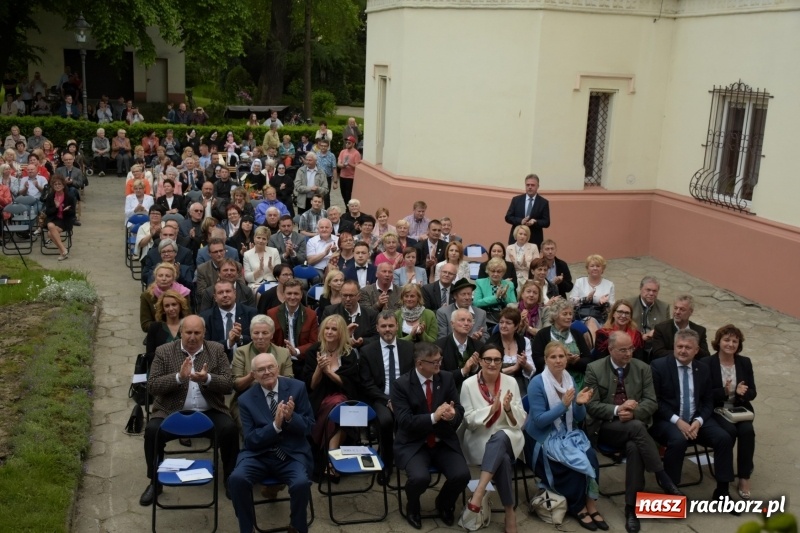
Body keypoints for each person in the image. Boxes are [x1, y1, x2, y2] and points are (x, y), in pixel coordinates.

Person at [584, 331, 683, 533]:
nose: (628, 353)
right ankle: (662, 475)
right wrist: (617, 410)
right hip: (606, 427)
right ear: (611, 350)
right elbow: (591, 405)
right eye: (623, 350)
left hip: (634, 428)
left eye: (631, 349)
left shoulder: (642, 368)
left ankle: (631, 509)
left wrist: (634, 412)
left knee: (635, 447)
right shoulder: (594, 368)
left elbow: (651, 401)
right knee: (637, 429)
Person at [139, 315, 238, 507]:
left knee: (230, 430)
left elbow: (228, 384)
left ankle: (230, 478)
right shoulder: (164, 351)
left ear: (204, 333)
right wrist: (178, 377)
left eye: (197, 333)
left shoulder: (216, 350)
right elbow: (152, 386)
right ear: (181, 333)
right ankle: (155, 482)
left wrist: (207, 378)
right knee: (152, 432)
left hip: (209, 411)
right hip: (171, 411)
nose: (192, 337)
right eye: (188, 333)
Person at [229, 352, 315, 533]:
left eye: (270, 367)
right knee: (236, 479)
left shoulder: (297, 388)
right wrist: (275, 426)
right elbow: (251, 440)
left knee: (301, 483)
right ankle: (247, 528)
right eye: (261, 370)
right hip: (259, 454)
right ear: (253, 374)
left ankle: (297, 527)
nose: (267, 372)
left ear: (278, 368)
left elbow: (309, 427)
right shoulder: (245, 400)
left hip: (291, 454)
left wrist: (291, 418)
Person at [526, 341, 605, 531]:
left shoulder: (568, 379)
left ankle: (590, 503)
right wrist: (563, 405)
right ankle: (578, 508)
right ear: (545, 360)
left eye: (561, 356)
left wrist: (579, 404)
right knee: (573, 463)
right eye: (553, 357)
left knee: (591, 457)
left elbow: (578, 418)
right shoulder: (537, 383)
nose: (558, 360)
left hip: (568, 432)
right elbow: (538, 420)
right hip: (542, 437)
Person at [391, 342, 470, 529]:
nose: (439, 365)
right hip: (414, 443)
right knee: (420, 478)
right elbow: (404, 421)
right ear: (420, 364)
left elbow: (458, 409)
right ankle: (413, 506)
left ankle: (443, 504)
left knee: (462, 475)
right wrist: (434, 417)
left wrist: (452, 415)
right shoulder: (401, 384)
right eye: (434, 362)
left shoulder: (447, 378)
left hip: (442, 441)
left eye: (440, 360)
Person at [650, 329, 736, 500]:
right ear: (674, 347)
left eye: (688, 347)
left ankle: (722, 492)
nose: (683, 350)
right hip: (667, 421)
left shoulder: (702, 369)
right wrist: (678, 422)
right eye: (679, 346)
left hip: (696, 420)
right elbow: (655, 402)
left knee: (724, 438)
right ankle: (671, 490)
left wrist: (699, 420)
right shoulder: (658, 366)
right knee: (678, 440)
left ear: (696, 350)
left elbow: (708, 400)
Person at [460, 344, 526, 533]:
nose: (492, 363)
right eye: (488, 359)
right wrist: (492, 409)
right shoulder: (468, 384)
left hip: (508, 434)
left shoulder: (511, 382)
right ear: (480, 361)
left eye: (497, 360)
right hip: (479, 438)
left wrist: (507, 409)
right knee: (503, 458)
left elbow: (520, 418)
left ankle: (478, 493)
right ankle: (509, 511)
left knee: (501, 436)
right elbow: (469, 420)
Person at [357, 311, 413, 477]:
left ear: (397, 327)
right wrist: (388, 400)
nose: (387, 329)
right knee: (386, 421)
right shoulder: (367, 351)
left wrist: (401, 399)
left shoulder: (409, 348)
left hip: (405, 397)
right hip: (380, 398)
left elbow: (413, 378)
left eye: (391, 326)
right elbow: (367, 383)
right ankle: (386, 463)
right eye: (383, 326)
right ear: (377, 328)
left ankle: (413, 461)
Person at [704, 324, 756, 500]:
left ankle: (744, 476)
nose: (730, 344)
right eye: (727, 340)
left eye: (735, 341)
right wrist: (724, 392)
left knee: (747, 431)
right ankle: (724, 475)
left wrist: (742, 392)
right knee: (730, 431)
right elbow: (704, 394)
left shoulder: (744, 362)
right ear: (718, 342)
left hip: (739, 409)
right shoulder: (707, 363)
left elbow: (753, 392)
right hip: (718, 410)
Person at [303, 315, 360, 459]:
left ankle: (328, 457)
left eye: (334, 329)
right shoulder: (313, 351)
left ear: (341, 332)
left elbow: (350, 384)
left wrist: (329, 372)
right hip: (318, 398)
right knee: (338, 406)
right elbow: (311, 385)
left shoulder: (348, 353)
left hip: (343, 395)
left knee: (339, 404)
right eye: (326, 328)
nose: (329, 332)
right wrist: (319, 369)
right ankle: (332, 458)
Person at [230, 315, 293, 430]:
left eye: (265, 333)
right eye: (256, 333)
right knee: (251, 429)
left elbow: (290, 382)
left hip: (278, 400)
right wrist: (252, 376)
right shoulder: (241, 352)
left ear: (272, 335)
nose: (260, 337)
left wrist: (271, 376)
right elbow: (236, 384)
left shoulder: (284, 353)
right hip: (248, 401)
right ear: (251, 334)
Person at [531, 299, 592, 384]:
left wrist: (576, 361)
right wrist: (564, 360)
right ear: (555, 316)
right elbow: (538, 361)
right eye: (565, 314)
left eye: (570, 314)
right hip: (550, 379)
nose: (569, 317)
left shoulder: (576, 334)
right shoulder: (543, 334)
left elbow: (588, 360)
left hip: (577, 380)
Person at [268, 279, 320, 377]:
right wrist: (282, 353)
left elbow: (314, 343)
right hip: (279, 361)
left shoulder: (311, 315)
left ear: (301, 295)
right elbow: (270, 341)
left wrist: (296, 351)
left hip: (303, 361)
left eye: (296, 293)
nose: (292, 297)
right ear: (283, 294)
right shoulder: (272, 313)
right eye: (289, 293)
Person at [198, 279, 259, 362]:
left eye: (228, 291)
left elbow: (257, 340)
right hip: (217, 364)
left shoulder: (251, 313)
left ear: (235, 293)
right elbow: (206, 346)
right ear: (215, 297)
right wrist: (228, 343)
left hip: (246, 363)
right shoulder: (205, 317)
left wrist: (240, 338)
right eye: (220, 292)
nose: (225, 295)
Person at [487, 307, 535, 394]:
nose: (503, 326)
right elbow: (488, 371)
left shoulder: (524, 341)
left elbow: (532, 370)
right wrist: (514, 368)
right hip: (497, 383)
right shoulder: (491, 343)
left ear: (516, 326)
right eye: (501, 322)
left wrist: (524, 364)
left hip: (519, 384)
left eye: (508, 323)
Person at [435, 307, 483, 389]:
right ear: (452, 324)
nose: (466, 323)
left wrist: (475, 368)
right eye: (462, 320)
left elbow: (485, 376)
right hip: (447, 393)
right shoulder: (439, 346)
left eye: (469, 321)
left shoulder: (479, 346)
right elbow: (437, 375)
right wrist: (463, 371)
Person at [321, 280, 378, 348]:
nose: (347, 299)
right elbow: (322, 335)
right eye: (345, 295)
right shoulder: (330, 312)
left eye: (351, 296)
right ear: (340, 295)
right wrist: (344, 337)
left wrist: (363, 341)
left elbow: (377, 337)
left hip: (364, 353)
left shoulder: (371, 314)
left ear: (359, 296)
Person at [624, 276, 671, 360]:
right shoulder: (628, 303)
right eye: (648, 290)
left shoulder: (664, 307)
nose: (651, 293)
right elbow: (622, 326)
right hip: (633, 344)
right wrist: (640, 337)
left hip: (655, 346)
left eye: (654, 291)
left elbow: (667, 329)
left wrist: (657, 333)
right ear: (640, 289)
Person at [651, 294, 711, 360]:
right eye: (675, 308)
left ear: (690, 312)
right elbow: (658, 353)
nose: (677, 312)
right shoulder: (661, 328)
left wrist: (692, 346)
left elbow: (706, 356)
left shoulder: (700, 331)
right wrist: (684, 353)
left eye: (682, 309)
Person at [570, 254, 615, 337]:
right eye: (592, 266)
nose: (595, 268)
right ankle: (595, 346)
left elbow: (612, 308)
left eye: (598, 266)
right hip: (581, 316)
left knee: (591, 322)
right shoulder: (580, 282)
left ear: (603, 269)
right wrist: (585, 299)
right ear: (587, 269)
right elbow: (571, 302)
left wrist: (605, 303)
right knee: (590, 321)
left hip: (600, 318)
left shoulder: (609, 284)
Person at [504, 173, 550, 248]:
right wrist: (520, 221)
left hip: (534, 240)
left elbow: (546, 222)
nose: (530, 187)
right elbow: (508, 217)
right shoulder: (516, 200)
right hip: (516, 239)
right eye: (527, 185)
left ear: (538, 186)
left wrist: (535, 222)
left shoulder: (543, 202)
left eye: (532, 185)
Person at [436, 278, 489, 342]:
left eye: (469, 294)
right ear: (455, 296)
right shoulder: (443, 313)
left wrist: (479, 338)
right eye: (463, 294)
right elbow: (442, 338)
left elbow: (486, 337)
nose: (467, 297)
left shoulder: (481, 313)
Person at [145, 290, 190, 362]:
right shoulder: (154, 328)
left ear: (180, 306)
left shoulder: (189, 326)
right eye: (167, 306)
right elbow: (149, 355)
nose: (171, 309)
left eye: (174, 304)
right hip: (161, 369)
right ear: (163, 309)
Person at [474, 257, 517, 327]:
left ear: (503, 272)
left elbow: (514, 307)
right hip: (486, 319)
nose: (496, 274)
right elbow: (476, 303)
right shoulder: (480, 282)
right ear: (488, 271)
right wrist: (495, 298)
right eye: (493, 271)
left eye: (499, 271)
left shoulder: (509, 284)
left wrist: (505, 297)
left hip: (505, 320)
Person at [42, 175, 76, 261]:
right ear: (53, 186)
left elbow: (73, 213)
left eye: (59, 184)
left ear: (63, 185)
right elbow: (48, 212)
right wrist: (56, 207)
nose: (57, 186)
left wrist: (67, 210)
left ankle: (62, 252)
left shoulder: (70, 197)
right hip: (53, 218)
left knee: (50, 234)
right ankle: (63, 249)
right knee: (50, 225)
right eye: (55, 184)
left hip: (65, 220)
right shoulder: (50, 197)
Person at [243, 226, 281, 291]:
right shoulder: (247, 254)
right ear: (254, 238)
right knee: (260, 294)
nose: (261, 241)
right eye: (258, 238)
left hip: (272, 283)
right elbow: (247, 278)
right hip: (255, 284)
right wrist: (259, 270)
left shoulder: (274, 251)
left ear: (267, 241)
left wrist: (271, 267)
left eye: (264, 239)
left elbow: (280, 274)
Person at [335, 136, 361, 204]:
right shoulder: (343, 152)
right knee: (343, 194)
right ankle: (347, 207)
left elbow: (357, 166)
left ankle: (348, 208)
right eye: (346, 143)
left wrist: (349, 164)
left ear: (353, 144)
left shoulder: (356, 153)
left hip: (351, 177)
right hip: (342, 176)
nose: (347, 144)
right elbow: (338, 163)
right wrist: (343, 165)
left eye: (349, 143)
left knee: (348, 195)